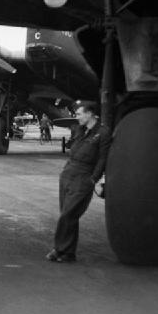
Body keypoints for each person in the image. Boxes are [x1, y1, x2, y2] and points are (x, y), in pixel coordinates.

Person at [46, 102, 111, 263]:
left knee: (68, 214)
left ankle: (58, 249)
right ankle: (68, 253)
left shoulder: (103, 132)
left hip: (84, 176)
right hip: (68, 174)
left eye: (80, 114)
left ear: (90, 114)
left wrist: (94, 178)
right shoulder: (79, 130)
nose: (77, 117)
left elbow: (103, 158)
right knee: (69, 216)